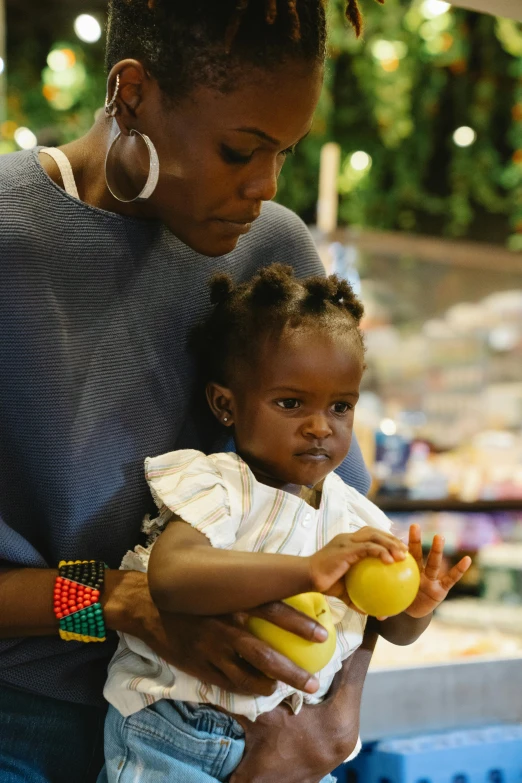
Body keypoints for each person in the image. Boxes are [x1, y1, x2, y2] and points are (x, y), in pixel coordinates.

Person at [0, 2, 447, 782]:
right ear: (131, 93)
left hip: (233, 737)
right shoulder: (10, 239)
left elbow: (342, 538)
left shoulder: (274, 253)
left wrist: (332, 718)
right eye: (240, 149)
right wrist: (118, 600)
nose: (264, 186)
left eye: (283, 153)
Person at [99, 265, 471, 782]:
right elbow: (172, 576)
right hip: (180, 734)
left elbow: (390, 626)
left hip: (296, 746)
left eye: (340, 406)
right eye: (291, 403)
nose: (321, 426)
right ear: (225, 405)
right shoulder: (219, 485)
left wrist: (417, 605)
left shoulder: (358, 516)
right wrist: (307, 570)